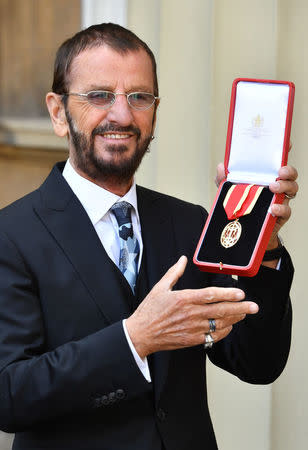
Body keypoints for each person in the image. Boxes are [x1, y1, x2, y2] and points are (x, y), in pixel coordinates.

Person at [0, 23, 298, 450]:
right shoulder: (10, 236)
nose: (122, 115)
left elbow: (257, 362)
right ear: (58, 112)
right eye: (99, 96)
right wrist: (134, 339)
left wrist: (264, 247)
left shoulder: (189, 222)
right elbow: (8, 393)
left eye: (139, 97)